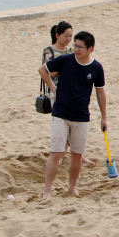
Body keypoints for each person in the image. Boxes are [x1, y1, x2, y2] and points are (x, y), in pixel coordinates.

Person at [38, 31, 107, 200]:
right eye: (75, 45)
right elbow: (42, 70)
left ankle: (71, 187)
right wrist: (53, 89)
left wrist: (104, 117)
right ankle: (47, 190)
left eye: (80, 47)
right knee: (56, 153)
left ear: (90, 49)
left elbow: (100, 92)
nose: (76, 49)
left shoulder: (96, 68)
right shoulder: (64, 60)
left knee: (77, 154)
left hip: (81, 116)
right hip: (60, 113)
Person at [42, 21, 95, 167]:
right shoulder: (49, 51)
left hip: (72, 91)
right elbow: (49, 72)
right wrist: (64, 67)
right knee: (62, 122)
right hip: (56, 90)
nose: (69, 39)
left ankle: (77, 154)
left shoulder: (70, 53)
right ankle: (60, 154)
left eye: (71, 36)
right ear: (57, 35)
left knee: (75, 123)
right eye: (66, 36)